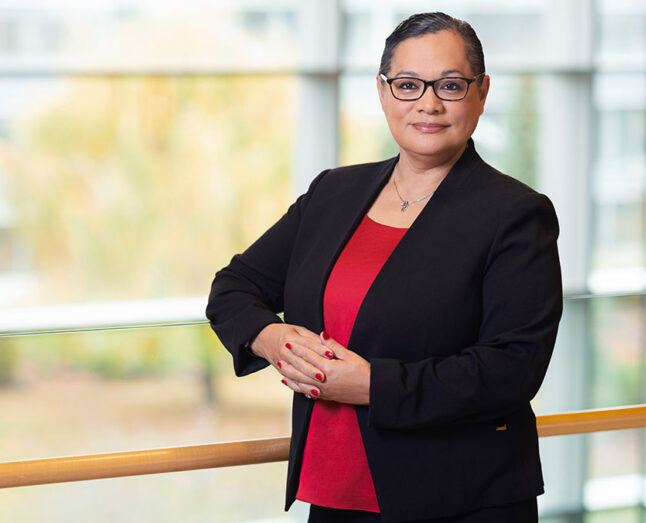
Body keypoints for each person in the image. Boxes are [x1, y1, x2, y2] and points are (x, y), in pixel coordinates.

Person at [206, 12, 562, 523]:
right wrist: (274, 341)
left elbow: (513, 369)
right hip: (334, 493)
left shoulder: (514, 215)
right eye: (409, 85)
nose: (429, 104)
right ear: (382, 91)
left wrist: (372, 385)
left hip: (459, 499)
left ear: (482, 94)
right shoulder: (334, 192)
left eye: (452, 86)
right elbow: (233, 287)